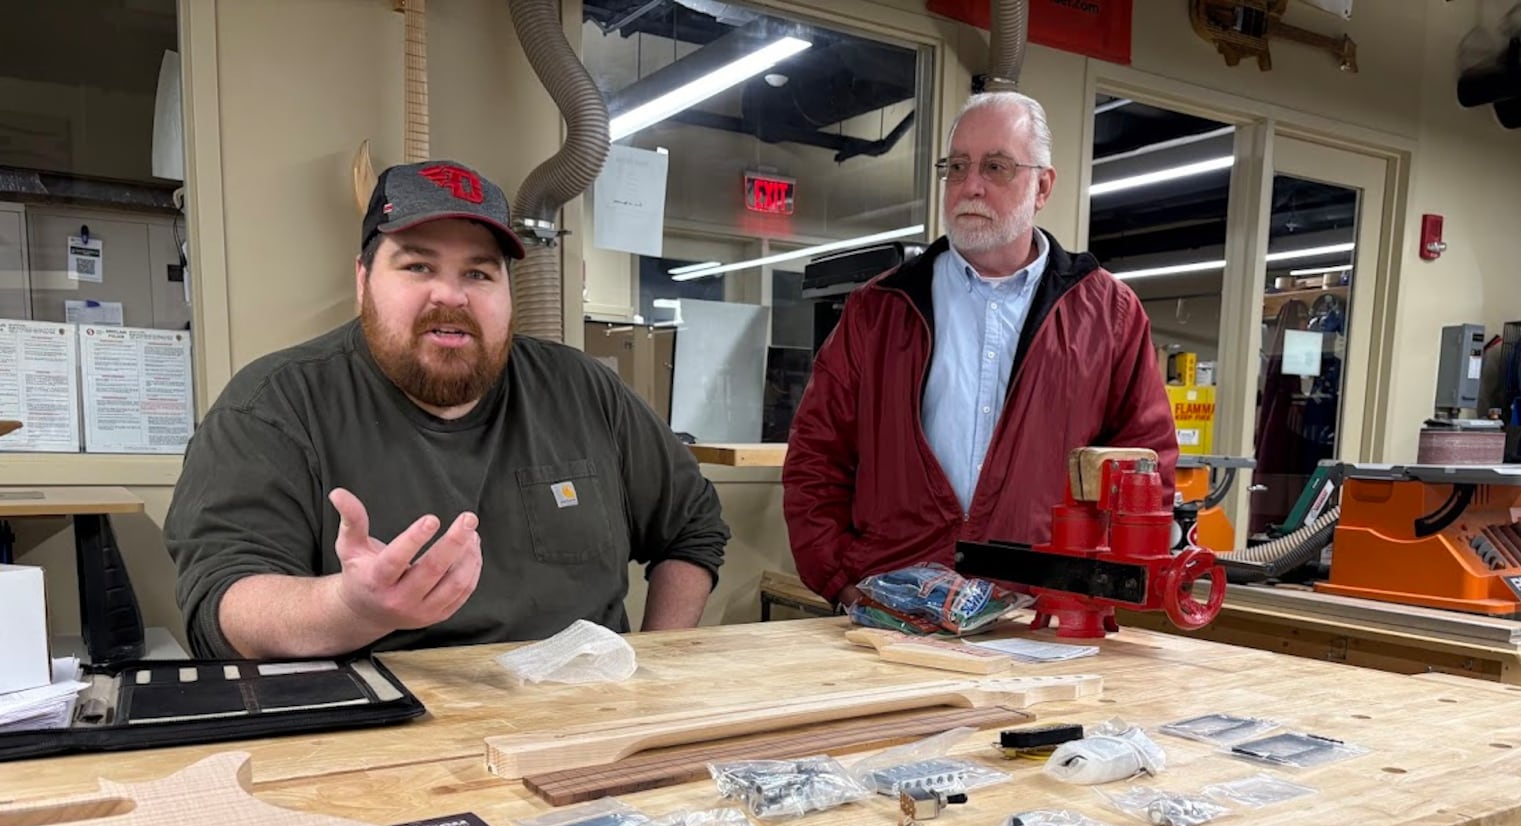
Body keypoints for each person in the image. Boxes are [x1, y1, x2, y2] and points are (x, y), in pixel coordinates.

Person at [165, 159, 728, 658]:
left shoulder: (583, 390)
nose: (451, 296)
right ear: (363, 281)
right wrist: (353, 607)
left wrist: (656, 666)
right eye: (418, 267)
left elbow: (692, 528)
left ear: (509, 293)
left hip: (583, 725)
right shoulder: (272, 407)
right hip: (381, 742)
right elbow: (222, 608)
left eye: (478, 273)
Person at [782, 92, 1176, 608]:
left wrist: (1097, 590)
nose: (971, 186)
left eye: (996, 167)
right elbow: (816, 455)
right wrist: (838, 576)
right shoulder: (878, 310)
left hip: (1042, 610)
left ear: (1042, 186)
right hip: (892, 607)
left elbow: (1146, 468)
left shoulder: (1108, 313)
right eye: (958, 166)